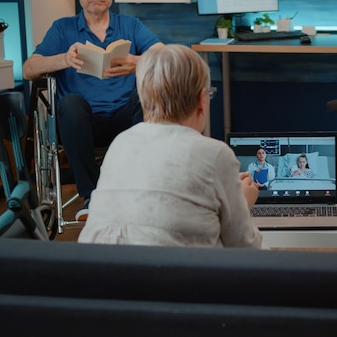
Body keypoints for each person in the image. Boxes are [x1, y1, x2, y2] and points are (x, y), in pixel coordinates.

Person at [78, 44, 263, 249]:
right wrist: (242, 204)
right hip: (171, 277)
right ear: (202, 99)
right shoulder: (216, 154)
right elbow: (245, 247)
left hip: (101, 273)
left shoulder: (120, 143)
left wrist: (226, 192)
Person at [22, 0, 165, 222]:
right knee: (70, 103)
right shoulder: (62, 28)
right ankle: (91, 197)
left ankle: (143, 191)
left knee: (145, 95)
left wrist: (137, 62)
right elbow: (29, 69)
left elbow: (165, 56)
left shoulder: (130, 25)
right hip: (79, 124)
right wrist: (64, 59)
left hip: (126, 121)